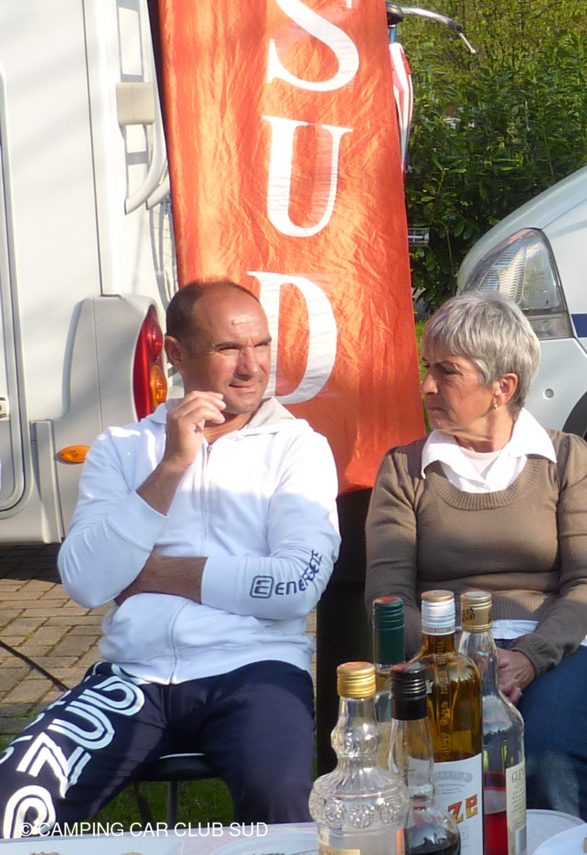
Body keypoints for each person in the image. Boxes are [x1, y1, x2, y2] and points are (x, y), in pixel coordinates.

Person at [0, 280, 341, 836]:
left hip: (256, 670)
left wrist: (152, 571)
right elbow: (85, 581)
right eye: (229, 348)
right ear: (177, 354)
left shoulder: (298, 446)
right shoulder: (122, 448)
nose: (252, 366)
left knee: (280, 802)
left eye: (261, 345)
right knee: (12, 800)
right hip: (133, 676)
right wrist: (172, 466)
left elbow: (296, 587)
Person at [364, 290, 587, 822]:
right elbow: (388, 595)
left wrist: (529, 657)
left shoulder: (567, 459)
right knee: (438, 771)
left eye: (447, 371)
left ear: (504, 387)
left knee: (548, 753)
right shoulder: (405, 470)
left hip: (557, 651)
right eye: (427, 367)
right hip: (437, 657)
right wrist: (458, 661)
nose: (427, 385)